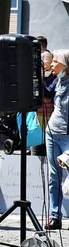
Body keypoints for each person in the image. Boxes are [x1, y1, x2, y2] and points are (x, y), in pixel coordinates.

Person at [44, 49, 69, 230]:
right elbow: (45, 92)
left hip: (67, 136)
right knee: (54, 176)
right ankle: (55, 215)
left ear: (65, 64)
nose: (51, 64)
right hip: (52, 133)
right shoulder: (58, 80)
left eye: (55, 61)